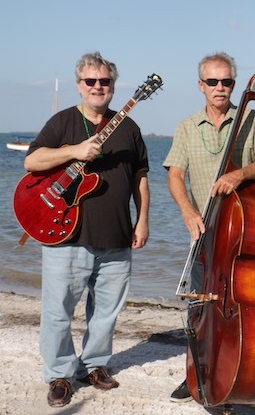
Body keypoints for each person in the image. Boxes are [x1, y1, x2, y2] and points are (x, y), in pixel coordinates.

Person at [24, 52, 150, 408]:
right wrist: (74, 150)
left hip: (117, 235)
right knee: (58, 311)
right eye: (90, 81)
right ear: (79, 85)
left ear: (113, 86)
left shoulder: (129, 128)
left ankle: (93, 366)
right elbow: (32, 160)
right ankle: (60, 375)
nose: (98, 87)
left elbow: (141, 178)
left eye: (104, 81)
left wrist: (143, 220)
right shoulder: (62, 122)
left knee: (107, 312)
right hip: (66, 235)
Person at [162, 52, 255, 402]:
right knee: (199, 305)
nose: (220, 87)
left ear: (234, 84)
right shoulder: (187, 126)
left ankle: (239, 365)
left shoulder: (250, 118)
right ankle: (195, 373)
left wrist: (239, 174)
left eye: (226, 81)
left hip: (238, 227)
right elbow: (175, 174)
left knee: (239, 304)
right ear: (201, 85)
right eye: (212, 81)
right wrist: (188, 212)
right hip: (203, 229)